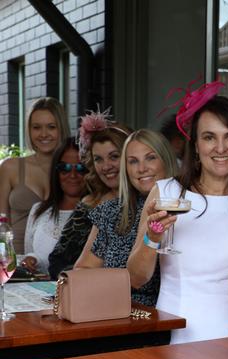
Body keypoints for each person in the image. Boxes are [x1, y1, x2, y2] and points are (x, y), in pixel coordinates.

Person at [127, 82, 228, 344]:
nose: (220, 148)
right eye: (209, 137)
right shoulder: (166, 192)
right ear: (195, 146)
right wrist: (152, 237)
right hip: (178, 332)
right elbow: (136, 278)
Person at [74, 129, 177, 306]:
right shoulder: (111, 211)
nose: (142, 168)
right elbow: (82, 270)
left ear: (166, 160)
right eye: (133, 161)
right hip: (114, 313)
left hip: (169, 317)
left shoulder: (186, 207)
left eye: (150, 158)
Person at [47, 110, 132, 279]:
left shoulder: (149, 201)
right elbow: (58, 261)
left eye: (114, 156)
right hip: (89, 293)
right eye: (98, 159)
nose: (105, 166)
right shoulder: (90, 204)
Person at [0, 97, 70, 253]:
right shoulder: (10, 167)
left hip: (58, 264)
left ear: (61, 128)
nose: (43, 134)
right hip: (16, 264)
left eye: (51, 127)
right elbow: (0, 224)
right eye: (36, 127)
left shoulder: (73, 171)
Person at [22, 138, 87, 274]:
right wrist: (30, 260)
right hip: (38, 293)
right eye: (65, 168)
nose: (73, 175)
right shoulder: (38, 210)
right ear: (55, 172)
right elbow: (30, 254)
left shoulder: (98, 212)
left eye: (81, 168)